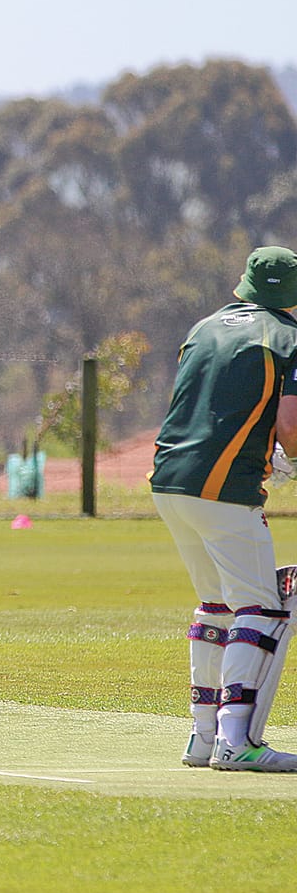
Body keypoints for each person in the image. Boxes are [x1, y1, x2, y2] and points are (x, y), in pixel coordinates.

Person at [151, 244, 297, 772]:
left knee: (216, 603)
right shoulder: (288, 339)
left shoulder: (204, 326)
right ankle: (237, 741)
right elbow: (291, 427)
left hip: (168, 481)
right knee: (260, 608)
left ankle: (201, 735)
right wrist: (289, 458)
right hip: (224, 490)